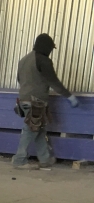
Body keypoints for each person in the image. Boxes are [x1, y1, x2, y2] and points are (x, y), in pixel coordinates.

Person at [14, 33, 80, 170]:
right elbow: (53, 81)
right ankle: (19, 160)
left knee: (39, 129)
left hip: (23, 99)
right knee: (30, 130)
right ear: (46, 47)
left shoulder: (24, 59)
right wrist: (69, 96)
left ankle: (45, 159)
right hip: (36, 102)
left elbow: (19, 79)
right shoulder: (43, 60)